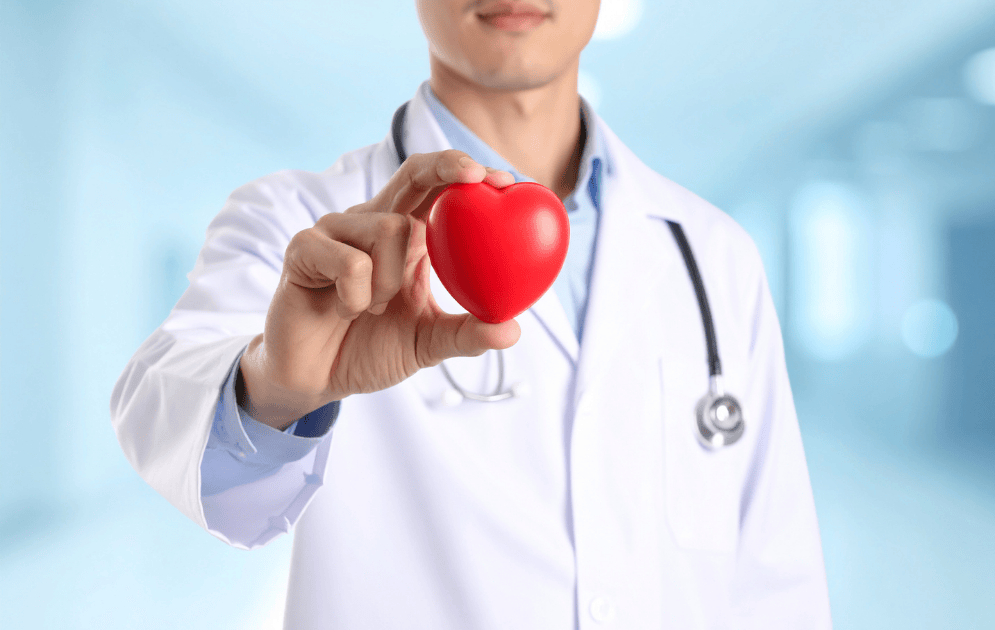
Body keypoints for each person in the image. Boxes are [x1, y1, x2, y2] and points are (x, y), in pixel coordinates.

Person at [111, 1, 832, 627]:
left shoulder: (712, 256)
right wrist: (278, 384)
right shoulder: (298, 224)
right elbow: (174, 434)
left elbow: (778, 581)